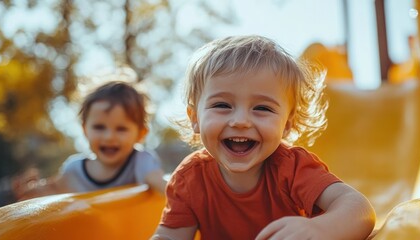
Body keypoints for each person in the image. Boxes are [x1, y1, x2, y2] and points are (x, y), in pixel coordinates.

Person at [152, 35, 376, 240]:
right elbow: (171, 236)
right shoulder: (190, 179)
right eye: (222, 105)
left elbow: (360, 210)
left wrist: (319, 229)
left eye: (262, 108)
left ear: (287, 124)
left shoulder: (292, 168)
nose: (241, 121)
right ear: (195, 118)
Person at [13, 80, 167, 201]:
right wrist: (32, 189)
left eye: (121, 129)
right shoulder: (74, 170)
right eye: (99, 127)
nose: (109, 137)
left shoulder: (141, 162)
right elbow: (52, 190)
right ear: (85, 130)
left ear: (141, 134)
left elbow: (162, 187)